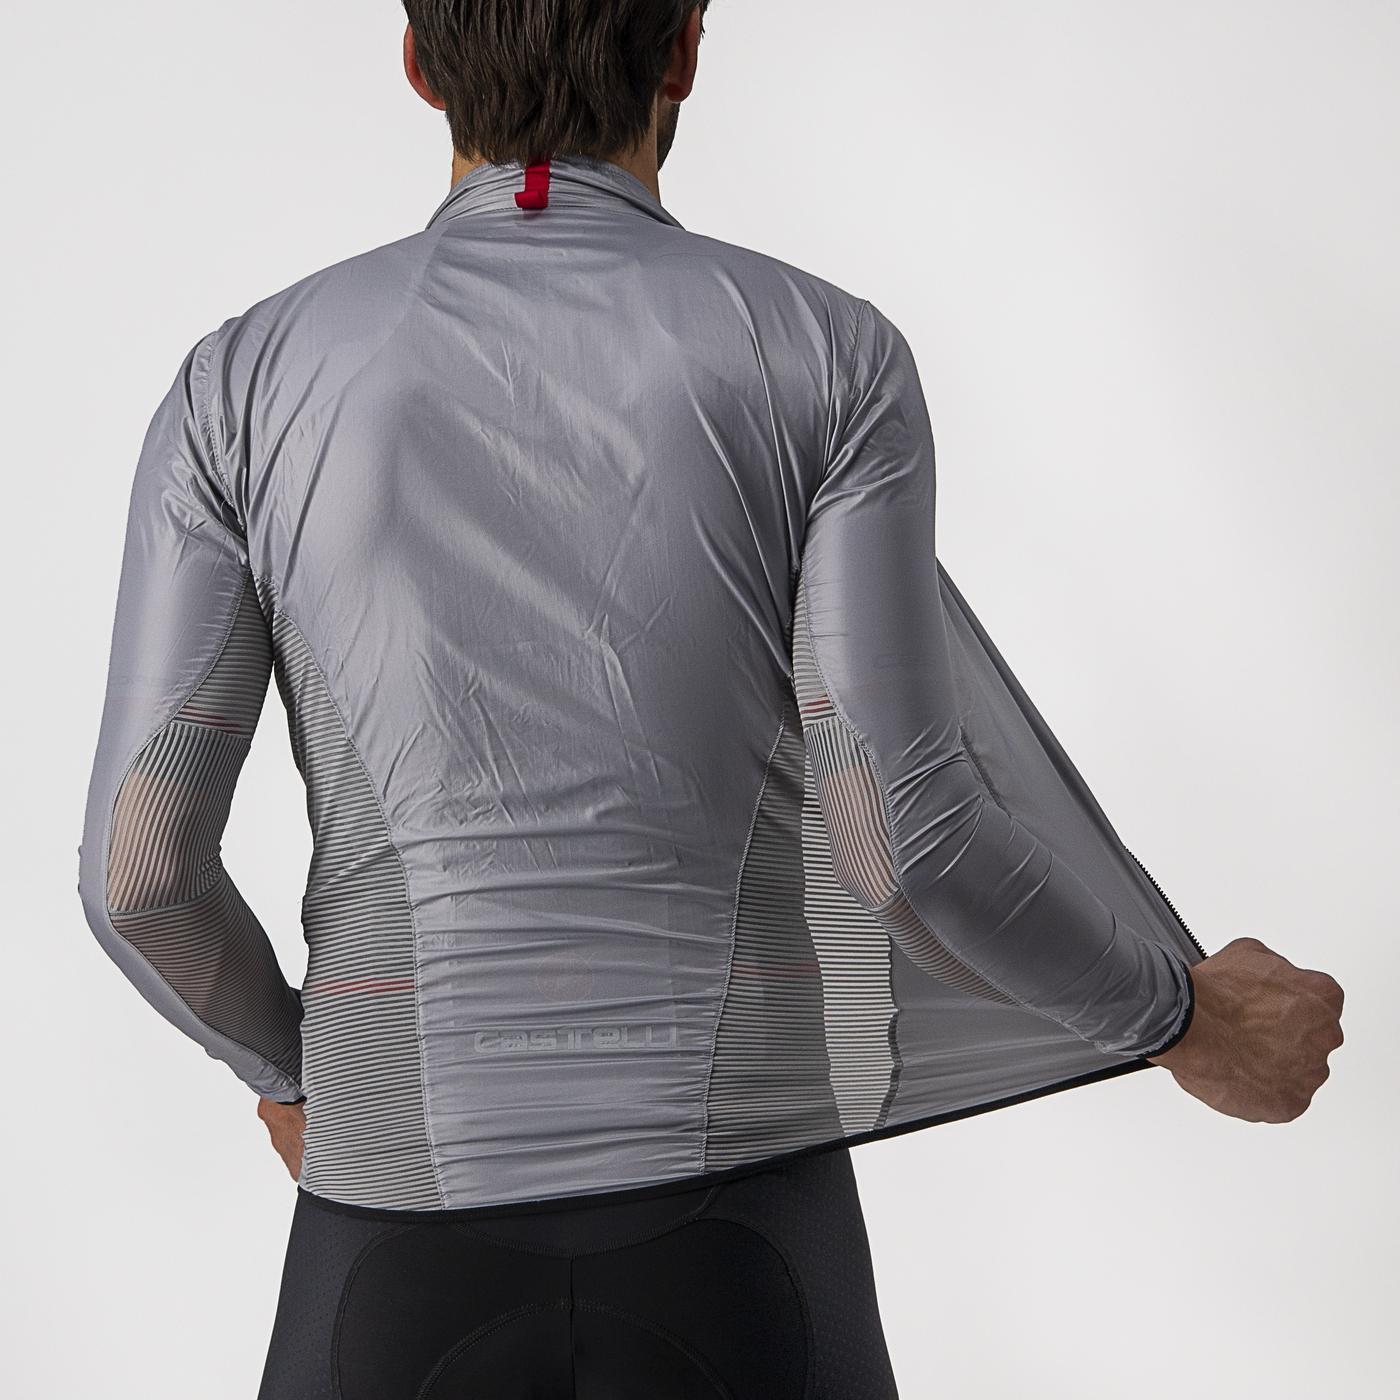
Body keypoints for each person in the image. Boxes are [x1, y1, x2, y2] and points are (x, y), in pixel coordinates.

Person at [77, 3, 1345, 1395]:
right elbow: (905, 839)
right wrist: (1184, 1020)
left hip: (389, 1249)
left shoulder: (238, 389)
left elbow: (142, 875)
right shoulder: (823, 355)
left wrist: (295, 1071)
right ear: (684, 49)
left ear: (419, 63)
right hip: (739, 1253)